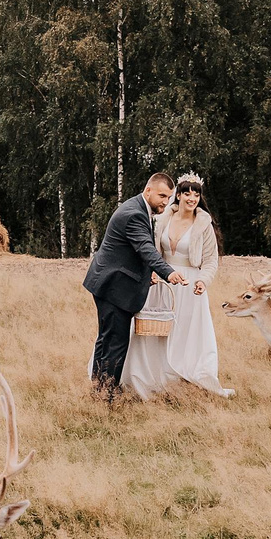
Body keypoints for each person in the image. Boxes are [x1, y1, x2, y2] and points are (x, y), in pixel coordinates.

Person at [122, 173, 232, 398]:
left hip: (190, 284)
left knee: (184, 334)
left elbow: (211, 261)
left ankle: (183, 378)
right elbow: (152, 252)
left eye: (196, 194)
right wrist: (152, 272)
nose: (192, 198)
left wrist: (203, 280)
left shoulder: (203, 225)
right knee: (155, 331)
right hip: (163, 282)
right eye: (187, 193)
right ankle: (152, 378)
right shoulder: (163, 219)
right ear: (178, 196)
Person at [83, 171, 186, 399]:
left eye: (168, 198)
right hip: (114, 287)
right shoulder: (134, 214)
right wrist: (168, 272)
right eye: (162, 195)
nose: (165, 202)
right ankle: (107, 394)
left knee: (107, 339)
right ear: (148, 190)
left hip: (108, 282)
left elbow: (133, 249)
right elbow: (146, 249)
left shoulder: (140, 208)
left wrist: (146, 272)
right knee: (116, 342)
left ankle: (98, 388)